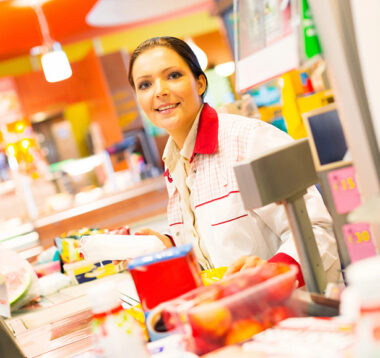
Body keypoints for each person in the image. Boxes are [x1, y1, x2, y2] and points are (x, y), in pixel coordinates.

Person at [128, 36, 340, 285]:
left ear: (199, 83)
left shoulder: (250, 139)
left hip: (298, 310)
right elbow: (218, 246)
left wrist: (272, 273)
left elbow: (317, 232)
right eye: (145, 85)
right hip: (239, 317)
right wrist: (172, 246)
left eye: (173, 75)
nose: (160, 91)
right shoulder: (175, 160)